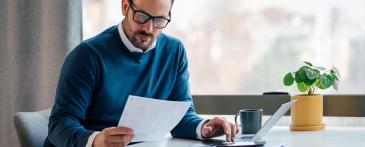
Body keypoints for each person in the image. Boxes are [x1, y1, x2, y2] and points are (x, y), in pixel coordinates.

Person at [44, 0, 239, 146]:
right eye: (142, 16)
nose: (149, 28)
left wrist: (205, 127)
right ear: (124, 7)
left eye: (160, 20)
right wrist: (95, 140)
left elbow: (181, 117)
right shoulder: (87, 56)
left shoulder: (175, 51)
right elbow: (59, 125)